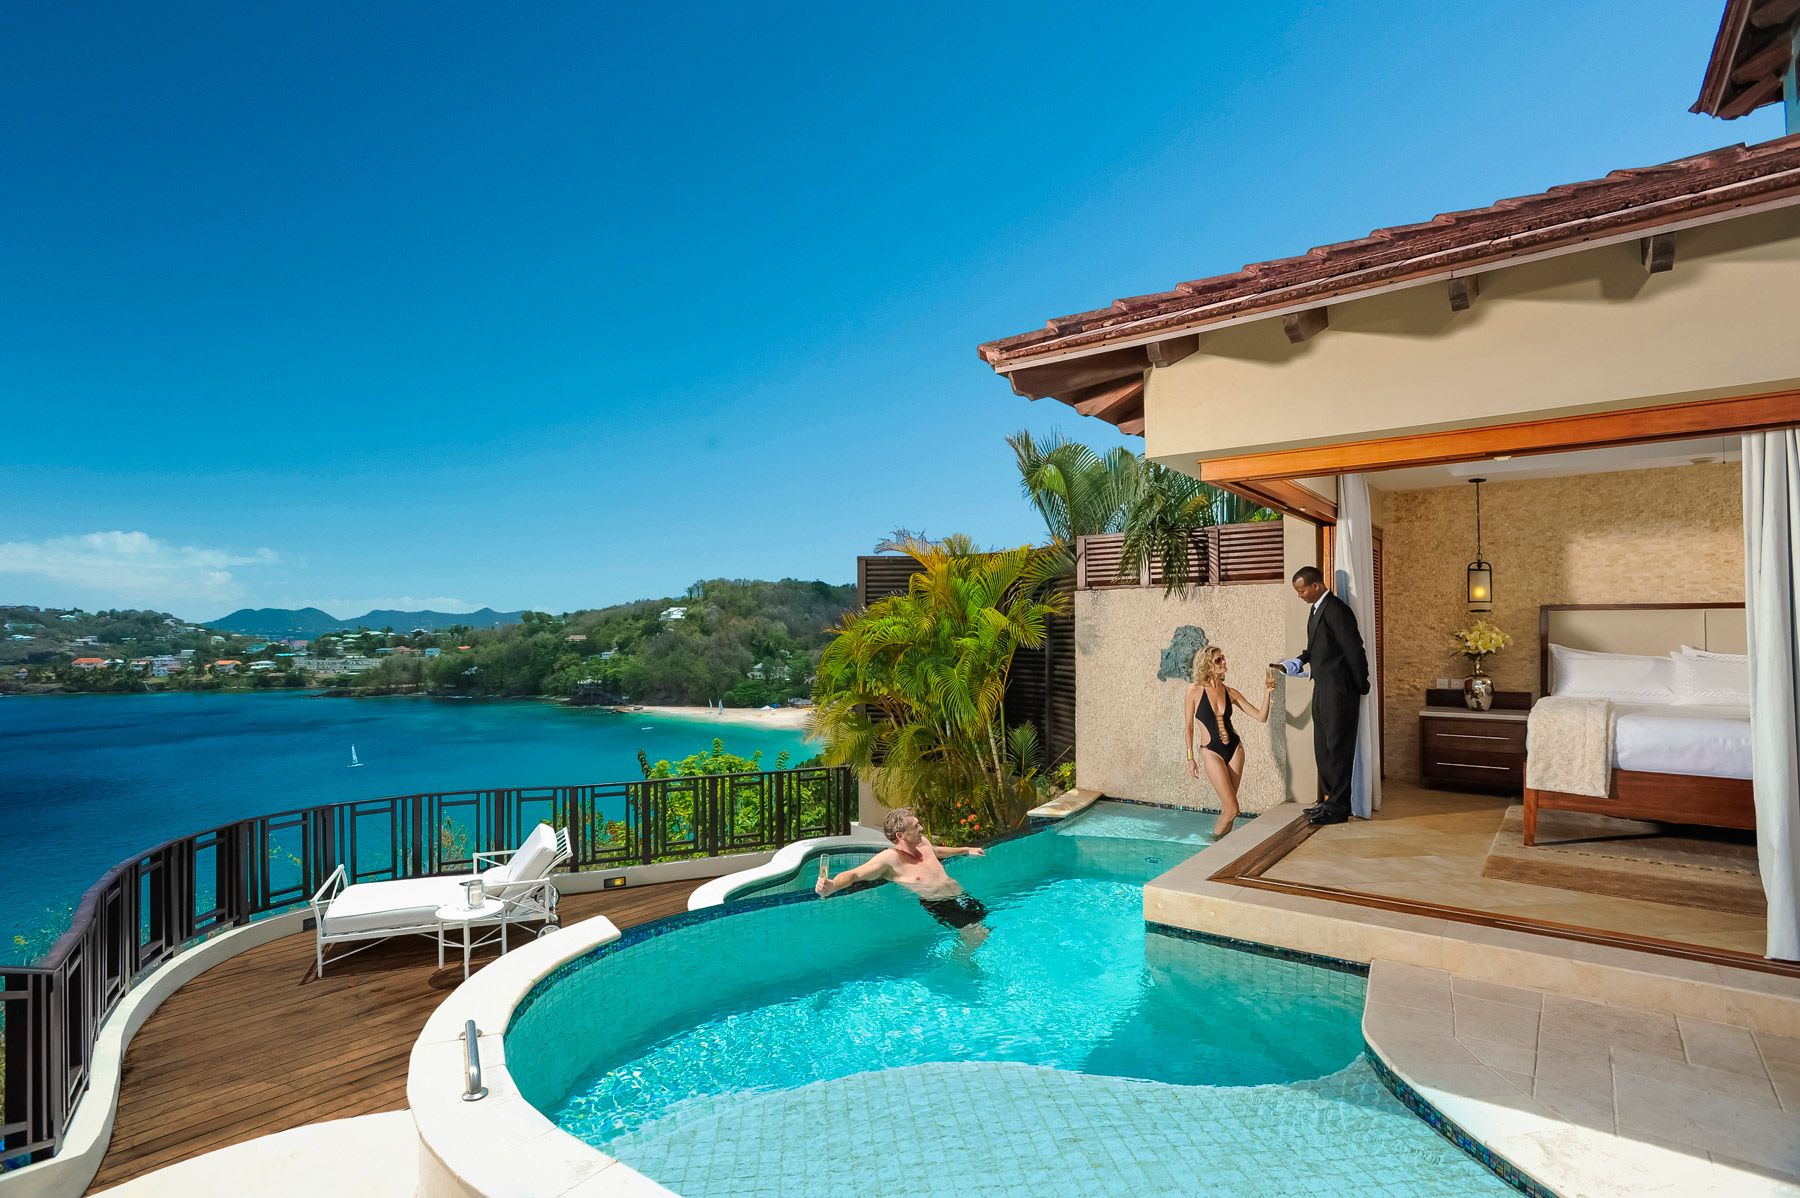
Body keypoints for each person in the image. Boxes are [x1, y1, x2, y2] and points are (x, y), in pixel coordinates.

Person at [815, 806, 989, 946]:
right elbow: (854, 874)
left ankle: (963, 954)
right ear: (901, 835)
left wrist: (966, 850)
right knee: (976, 937)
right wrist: (832, 886)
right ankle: (961, 968)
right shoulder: (890, 859)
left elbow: (937, 851)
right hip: (940, 903)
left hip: (960, 895)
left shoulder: (923, 843)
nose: (921, 828)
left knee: (985, 929)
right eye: (916, 826)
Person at [1280, 565, 1370, 825]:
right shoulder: (1315, 610)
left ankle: (1340, 807)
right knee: (1323, 746)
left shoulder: (1338, 610)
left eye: (1302, 590)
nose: (1300, 595)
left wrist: (1361, 684)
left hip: (1340, 691)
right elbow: (1314, 648)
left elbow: (1354, 649)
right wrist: (1297, 661)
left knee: (1338, 747)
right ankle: (1328, 800)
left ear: (1316, 586)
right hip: (1322, 688)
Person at [1184, 645, 1276, 838]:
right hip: (1211, 752)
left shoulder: (1230, 692)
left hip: (1235, 750)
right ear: (1207, 665)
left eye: (1223, 658)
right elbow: (1189, 726)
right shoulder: (1194, 691)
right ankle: (1211, 845)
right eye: (1218, 660)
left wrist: (1267, 693)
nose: (1224, 662)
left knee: (1231, 810)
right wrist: (1190, 758)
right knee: (1232, 809)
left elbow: (1260, 716)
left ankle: (1220, 848)